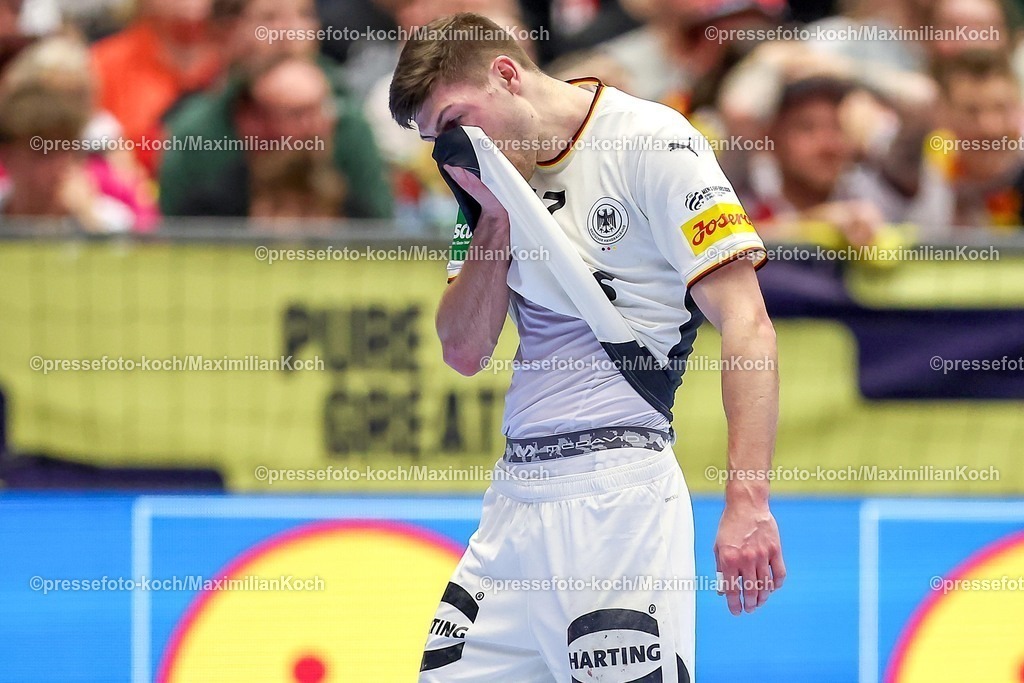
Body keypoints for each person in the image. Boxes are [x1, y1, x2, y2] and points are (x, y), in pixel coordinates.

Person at [390, 12, 785, 681]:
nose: (450, 149)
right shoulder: (484, 180)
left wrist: (747, 498)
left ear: (507, 74)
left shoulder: (651, 141)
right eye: (436, 141)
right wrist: (490, 220)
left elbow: (749, 324)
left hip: (617, 498)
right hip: (515, 500)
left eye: (455, 122)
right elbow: (462, 350)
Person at [159, 0, 392, 220]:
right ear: (231, 32)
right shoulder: (195, 131)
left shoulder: (351, 124)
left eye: (304, 15)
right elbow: (176, 239)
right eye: (269, 18)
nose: (290, 34)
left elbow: (379, 233)